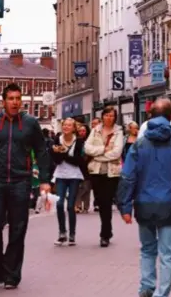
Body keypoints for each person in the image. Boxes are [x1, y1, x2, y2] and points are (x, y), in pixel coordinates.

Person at [0, 83, 50, 289]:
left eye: (18, 99)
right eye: (11, 99)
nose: (15, 102)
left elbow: (41, 151)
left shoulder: (30, 123)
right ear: (3, 101)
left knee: (18, 229)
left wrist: (44, 180)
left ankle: (12, 275)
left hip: (20, 181)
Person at [117, 98, 171, 297]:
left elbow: (127, 177)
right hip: (170, 203)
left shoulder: (139, 145)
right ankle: (162, 293)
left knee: (147, 250)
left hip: (144, 203)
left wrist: (125, 207)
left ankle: (146, 287)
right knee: (167, 255)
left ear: (150, 116)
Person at [85, 106, 124, 247]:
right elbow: (87, 148)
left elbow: (117, 152)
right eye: (107, 115)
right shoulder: (95, 130)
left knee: (107, 202)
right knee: (100, 202)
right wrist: (102, 150)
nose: (109, 118)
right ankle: (108, 229)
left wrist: (98, 156)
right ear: (102, 116)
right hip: (95, 171)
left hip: (111, 172)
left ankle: (104, 234)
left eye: (112, 116)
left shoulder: (118, 132)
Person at [51, 118, 86, 246]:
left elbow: (77, 160)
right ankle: (62, 233)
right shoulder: (57, 139)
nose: (66, 127)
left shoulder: (79, 141)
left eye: (69, 125)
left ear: (73, 128)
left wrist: (63, 153)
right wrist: (57, 153)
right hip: (61, 174)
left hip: (74, 175)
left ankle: (72, 234)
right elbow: (56, 160)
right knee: (59, 204)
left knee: (71, 206)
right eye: (64, 125)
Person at [74, 123, 92, 214]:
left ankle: (86, 206)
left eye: (83, 131)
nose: (81, 133)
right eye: (80, 131)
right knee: (79, 186)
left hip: (89, 165)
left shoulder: (91, 140)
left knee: (87, 186)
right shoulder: (76, 141)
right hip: (79, 165)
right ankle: (77, 204)